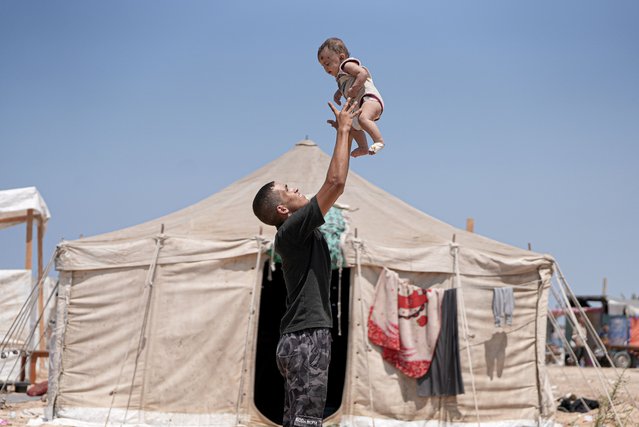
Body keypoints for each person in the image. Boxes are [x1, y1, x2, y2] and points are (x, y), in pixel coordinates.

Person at [252, 98, 358, 427]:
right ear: (282, 210)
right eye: (287, 189)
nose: (295, 187)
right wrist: (343, 130)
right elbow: (335, 184)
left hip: (298, 338)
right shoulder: (293, 229)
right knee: (306, 422)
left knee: (296, 419)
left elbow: (330, 187)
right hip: (307, 337)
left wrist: (349, 135)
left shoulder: (296, 231)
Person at [318, 37, 385, 157]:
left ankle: (379, 140)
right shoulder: (340, 77)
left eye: (327, 63)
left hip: (369, 99)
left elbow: (362, 74)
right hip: (360, 105)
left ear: (342, 57)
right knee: (351, 125)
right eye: (323, 66)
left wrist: (354, 88)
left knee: (363, 119)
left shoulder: (346, 65)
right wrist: (338, 93)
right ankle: (363, 147)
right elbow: (346, 85)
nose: (326, 68)